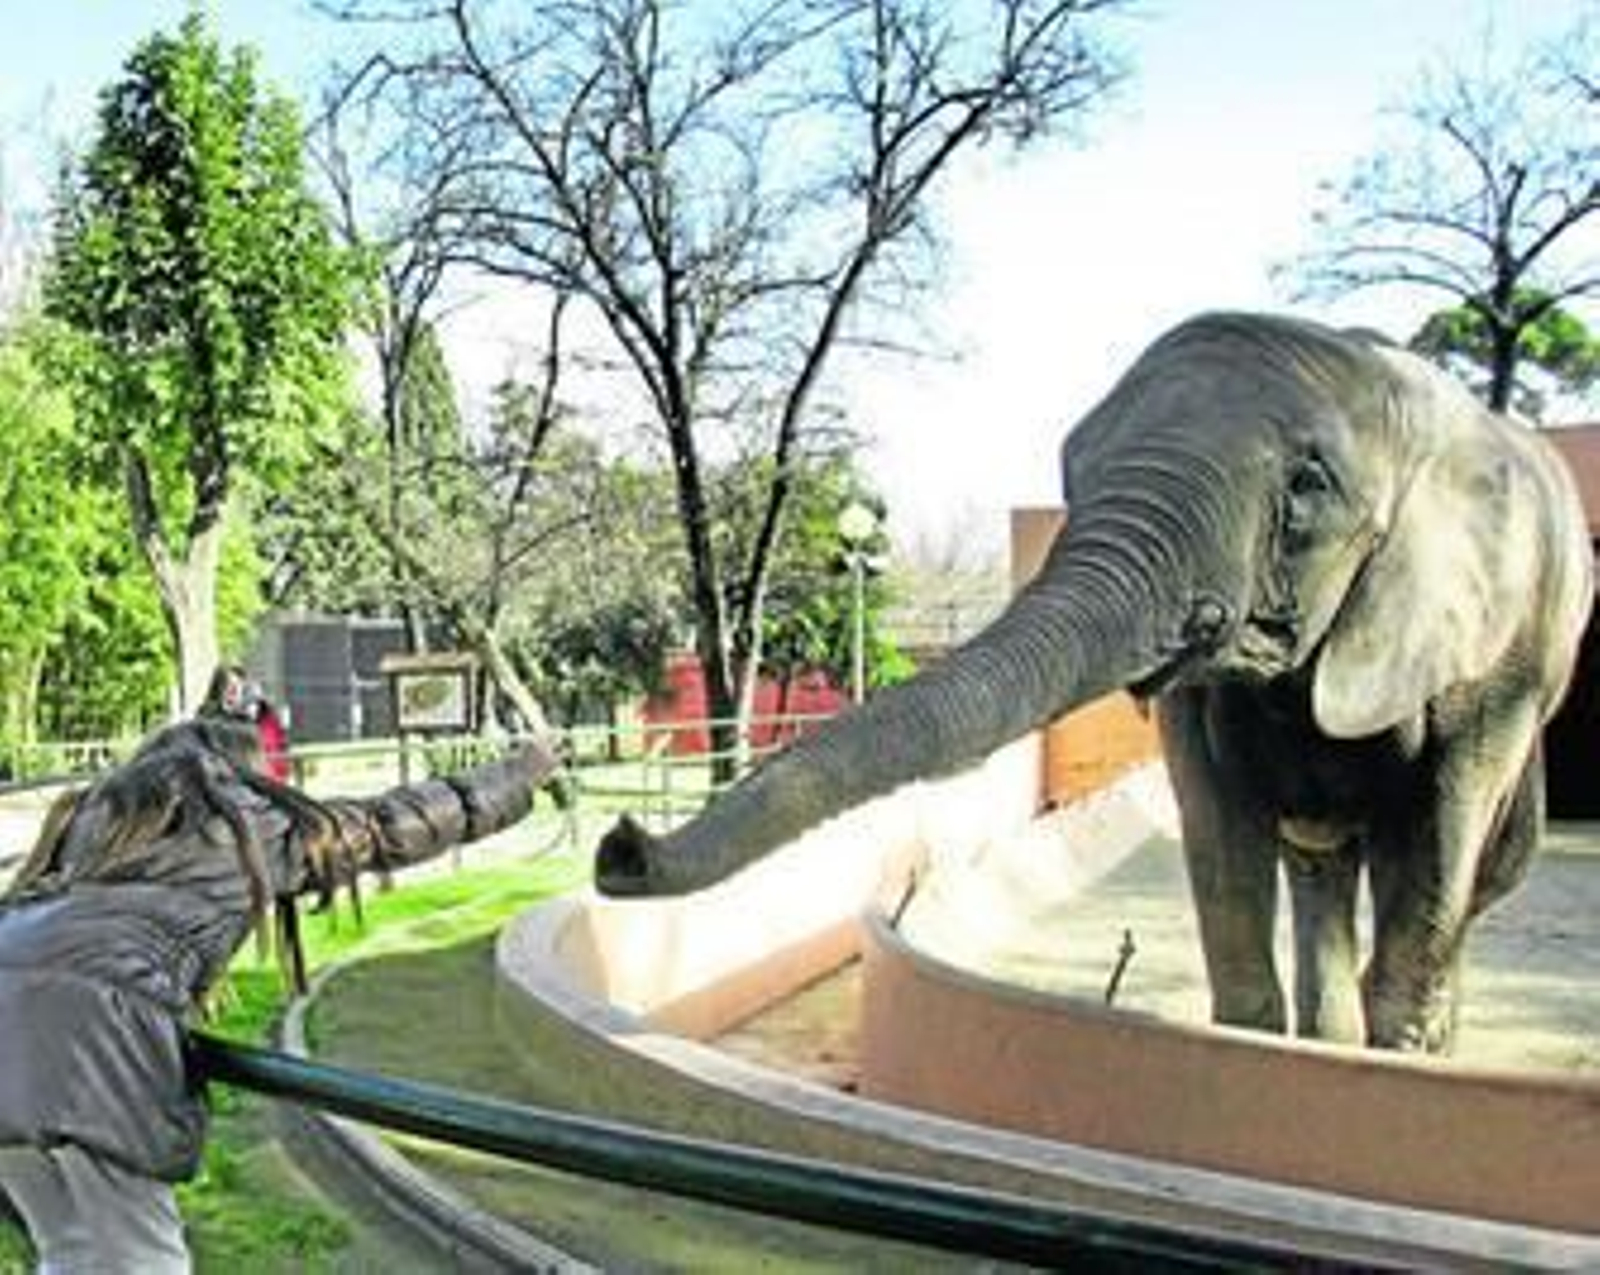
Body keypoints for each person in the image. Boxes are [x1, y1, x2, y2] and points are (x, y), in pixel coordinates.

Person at [0, 713, 552, 1272]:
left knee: (68, 1248)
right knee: (144, 1258)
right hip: (90, 1037)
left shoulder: (95, 818)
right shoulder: (235, 814)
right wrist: (521, 775)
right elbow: (388, 825)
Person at [200, 664, 292, 783]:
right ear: (219, 688)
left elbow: (273, 755)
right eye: (229, 686)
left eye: (238, 687)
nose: (234, 691)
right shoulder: (207, 717)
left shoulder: (252, 718)